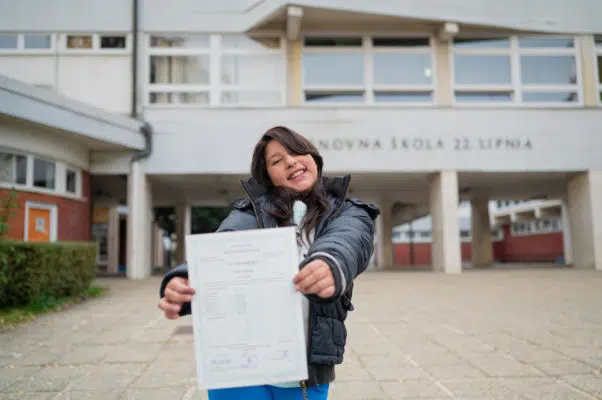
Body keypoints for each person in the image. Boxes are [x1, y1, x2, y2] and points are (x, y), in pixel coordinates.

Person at [158, 126, 380, 400]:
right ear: (268, 176)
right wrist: (184, 280)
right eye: (277, 160)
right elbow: (222, 246)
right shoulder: (249, 214)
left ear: (314, 158)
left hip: (306, 371)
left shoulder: (349, 212)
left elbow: (347, 241)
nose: (291, 161)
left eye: (298, 151)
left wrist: (329, 264)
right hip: (238, 364)